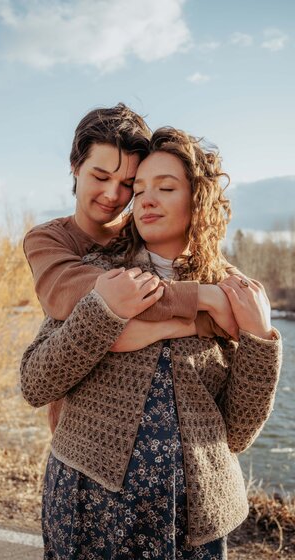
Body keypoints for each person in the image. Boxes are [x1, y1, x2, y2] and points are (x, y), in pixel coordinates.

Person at [20, 127, 282, 559]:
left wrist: (261, 341)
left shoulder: (234, 293)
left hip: (192, 520)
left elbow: (237, 433)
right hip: (90, 507)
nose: (145, 199)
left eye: (165, 187)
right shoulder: (100, 274)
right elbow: (36, 383)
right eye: (139, 189)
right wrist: (108, 317)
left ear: (198, 198)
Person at [23, 104, 237, 433]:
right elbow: (101, 294)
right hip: (80, 428)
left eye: (128, 184)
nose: (112, 194)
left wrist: (237, 300)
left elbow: (223, 283)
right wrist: (202, 306)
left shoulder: (145, 232)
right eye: (100, 176)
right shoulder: (48, 239)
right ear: (75, 168)